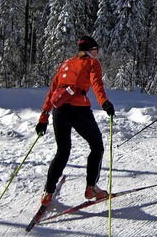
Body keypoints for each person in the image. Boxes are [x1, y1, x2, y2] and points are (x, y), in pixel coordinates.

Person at [35, 36, 115, 205]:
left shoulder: (66, 63)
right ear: (88, 50)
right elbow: (97, 85)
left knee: (63, 151)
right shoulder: (92, 63)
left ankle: (48, 192)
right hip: (79, 109)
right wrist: (105, 103)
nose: (97, 54)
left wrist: (44, 117)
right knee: (97, 146)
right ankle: (91, 187)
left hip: (59, 110)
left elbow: (53, 91)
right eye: (95, 50)